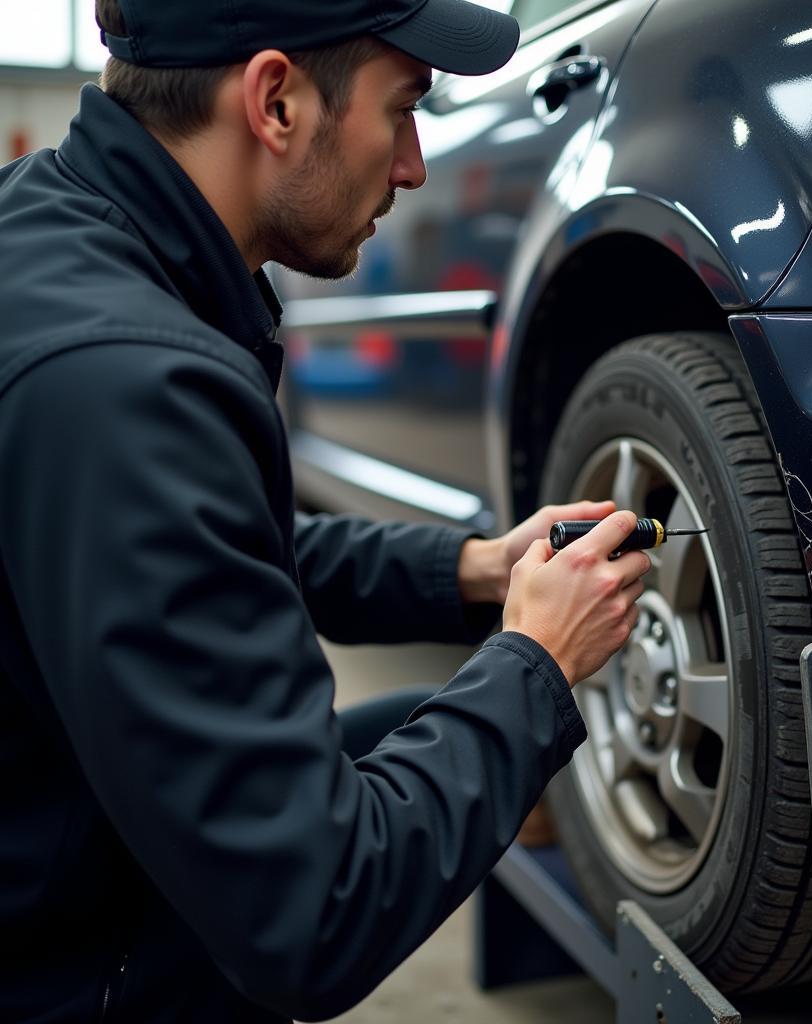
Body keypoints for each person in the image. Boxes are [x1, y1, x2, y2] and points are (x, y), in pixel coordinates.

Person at [0, 2, 652, 1021]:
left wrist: (473, 570)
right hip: (61, 970)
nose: (414, 166)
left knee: (410, 733)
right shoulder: (125, 388)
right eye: (400, 111)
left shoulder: (54, 230)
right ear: (275, 102)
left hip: (59, 832)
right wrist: (536, 667)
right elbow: (312, 916)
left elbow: (209, 556)